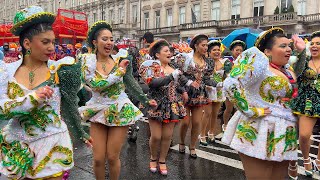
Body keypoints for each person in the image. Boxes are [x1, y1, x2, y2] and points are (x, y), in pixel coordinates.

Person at [0, 6, 92, 179]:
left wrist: (81, 133)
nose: (52, 48)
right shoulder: (6, 72)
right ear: (27, 43)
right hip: (16, 147)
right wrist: (32, 99)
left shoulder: (60, 70)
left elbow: (70, 104)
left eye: (53, 42)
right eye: (45, 42)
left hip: (52, 144)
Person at [222, 27, 305, 179]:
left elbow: (304, 80)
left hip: (285, 132)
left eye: (289, 46)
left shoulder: (287, 69)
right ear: (267, 51)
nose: (288, 49)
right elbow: (230, 84)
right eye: (282, 46)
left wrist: (303, 52)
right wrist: (250, 110)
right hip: (259, 128)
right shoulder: (259, 63)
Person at [78, 21, 157, 180]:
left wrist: (145, 99)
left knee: (113, 157)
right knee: (99, 159)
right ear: (95, 42)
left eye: (111, 39)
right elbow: (96, 85)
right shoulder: (88, 61)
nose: (109, 43)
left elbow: (130, 83)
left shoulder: (120, 59)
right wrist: (119, 72)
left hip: (119, 108)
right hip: (97, 108)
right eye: (104, 39)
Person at [139, 40, 188, 175]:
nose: (169, 53)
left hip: (172, 104)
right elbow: (153, 83)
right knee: (156, 136)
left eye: (169, 51)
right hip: (156, 104)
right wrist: (170, 77)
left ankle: (162, 160)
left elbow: (179, 83)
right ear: (157, 54)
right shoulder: (151, 67)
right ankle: (153, 158)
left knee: (167, 136)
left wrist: (183, 91)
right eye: (165, 51)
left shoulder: (174, 68)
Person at [174, 34, 217, 158]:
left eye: (206, 45)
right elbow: (177, 73)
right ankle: (182, 142)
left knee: (197, 122)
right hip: (185, 93)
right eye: (203, 45)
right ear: (196, 46)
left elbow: (207, 79)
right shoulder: (185, 58)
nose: (205, 47)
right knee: (185, 122)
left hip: (200, 95)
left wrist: (218, 84)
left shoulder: (209, 61)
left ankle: (192, 146)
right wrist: (188, 82)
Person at [291, 30, 320, 177]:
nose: (315, 46)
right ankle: (306, 158)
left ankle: (319, 161)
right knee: (304, 135)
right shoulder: (303, 59)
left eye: (318, 43)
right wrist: (301, 51)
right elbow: (295, 71)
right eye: (312, 43)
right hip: (307, 101)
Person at [199, 40, 232, 145]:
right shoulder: (205, 63)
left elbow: (228, 76)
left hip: (219, 91)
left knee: (215, 113)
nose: (217, 52)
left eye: (218, 50)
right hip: (208, 90)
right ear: (209, 52)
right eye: (214, 50)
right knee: (207, 113)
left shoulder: (224, 63)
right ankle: (202, 134)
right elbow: (203, 78)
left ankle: (211, 132)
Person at [222, 40, 246, 132]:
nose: (239, 52)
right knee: (229, 108)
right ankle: (225, 124)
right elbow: (227, 74)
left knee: (238, 109)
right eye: (237, 50)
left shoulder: (244, 62)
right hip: (230, 88)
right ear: (232, 51)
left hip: (241, 88)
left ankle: (235, 126)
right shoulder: (228, 62)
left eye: (241, 50)